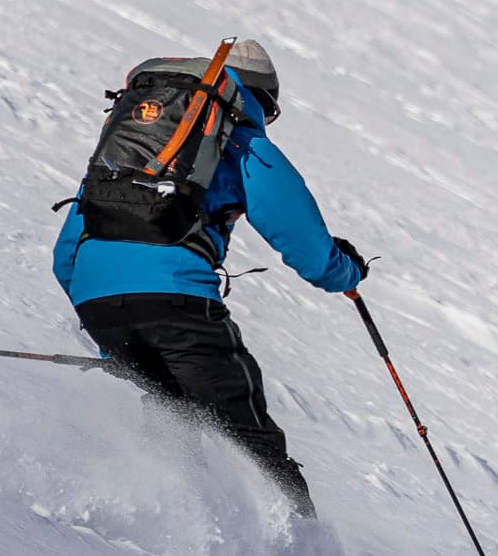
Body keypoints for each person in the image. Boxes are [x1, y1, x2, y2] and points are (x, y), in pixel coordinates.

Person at [51, 38, 365, 515]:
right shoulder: (239, 140)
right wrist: (346, 271)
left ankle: (168, 520)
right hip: (178, 306)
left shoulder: (130, 152)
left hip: (99, 306)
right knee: (250, 434)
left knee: (174, 411)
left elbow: (65, 257)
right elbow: (303, 241)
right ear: (261, 98)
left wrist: (114, 340)